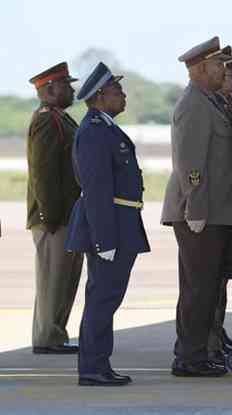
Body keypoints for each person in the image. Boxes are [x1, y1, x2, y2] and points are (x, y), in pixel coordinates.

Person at [161, 37, 232, 377]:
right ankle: (190, 358)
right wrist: (195, 207)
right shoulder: (194, 103)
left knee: (205, 287)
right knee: (198, 288)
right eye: (219, 65)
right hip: (201, 214)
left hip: (215, 212)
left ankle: (195, 352)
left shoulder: (210, 101)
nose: (225, 70)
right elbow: (189, 161)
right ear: (199, 69)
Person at [66, 62, 150, 386]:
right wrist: (105, 241)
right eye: (118, 92)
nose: (124, 96)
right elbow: (97, 190)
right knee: (102, 299)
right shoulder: (93, 132)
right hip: (109, 227)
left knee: (107, 298)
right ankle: (92, 368)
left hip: (120, 223)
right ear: (100, 97)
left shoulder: (106, 128)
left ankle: (99, 364)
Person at [26, 62, 83, 355]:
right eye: (65, 85)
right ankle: (48, 337)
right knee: (53, 279)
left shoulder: (61, 118)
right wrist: (49, 217)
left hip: (65, 214)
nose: (71, 89)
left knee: (64, 279)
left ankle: (54, 334)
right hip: (54, 217)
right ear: (49, 90)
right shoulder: (47, 121)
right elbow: (42, 173)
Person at [207, 45, 232, 365]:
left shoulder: (225, 106)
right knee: (207, 285)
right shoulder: (208, 107)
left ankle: (216, 336)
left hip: (226, 207)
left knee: (218, 284)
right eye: (228, 72)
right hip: (210, 208)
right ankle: (208, 342)